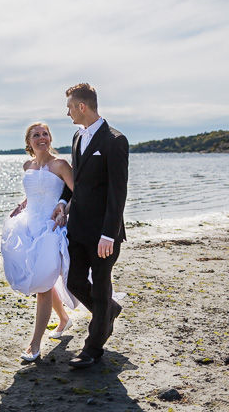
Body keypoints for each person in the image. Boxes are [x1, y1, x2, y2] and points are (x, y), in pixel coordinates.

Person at [52, 83, 129, 368]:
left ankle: (92, 349)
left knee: (100, 289)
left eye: (70, 106)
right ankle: (109, 310)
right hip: (78, 228)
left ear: (82, 106)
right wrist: (62, 202)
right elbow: (78, 183)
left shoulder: (115, 140)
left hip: (103, 234)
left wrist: (109, 234)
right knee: (74, 282)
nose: (68, 112)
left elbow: (117, 192)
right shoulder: (76, 137)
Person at [1, 122, 78, 362]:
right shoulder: (28, 165)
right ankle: (64, 319)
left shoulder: (61, 165)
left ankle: (35, 345)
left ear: (50, 138)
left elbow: (77, 193)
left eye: (45, 134)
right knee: (40, 280)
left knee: (43, 287)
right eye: (36, 135)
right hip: (28, 227)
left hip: (51, 229)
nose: (41, 137)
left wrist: (64, 209)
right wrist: (23, 203)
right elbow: (37, 191)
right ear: (29, 142)